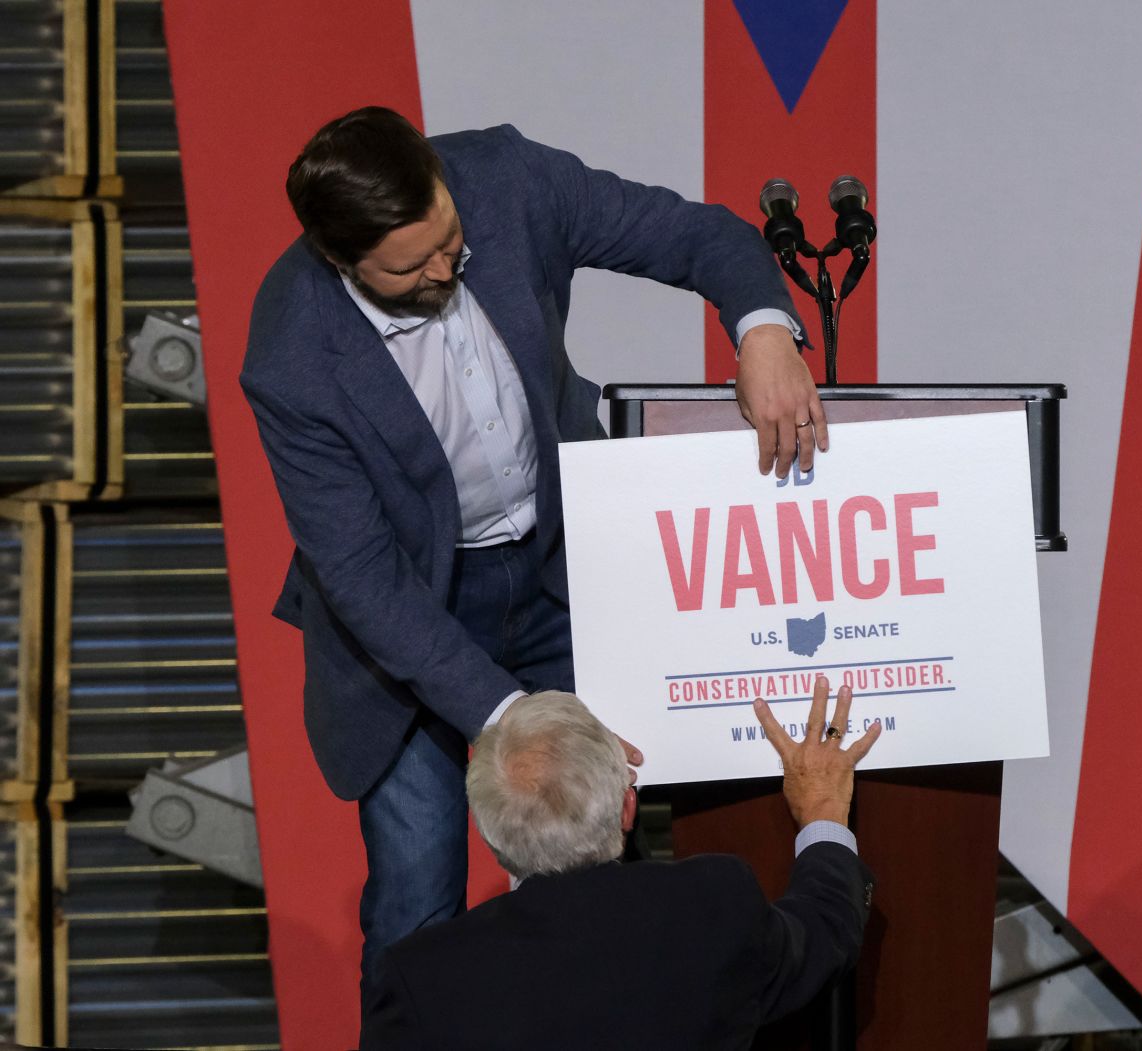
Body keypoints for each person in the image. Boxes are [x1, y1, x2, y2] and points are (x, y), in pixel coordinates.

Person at [240, 106, 827, 989]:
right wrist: (502, 712)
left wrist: (764, 329)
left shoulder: (506, 182)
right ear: (340, 260)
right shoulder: (293, 352)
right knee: (417, 907)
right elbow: (363, 578)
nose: (446, 269)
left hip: (560, 572)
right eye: (411, 267)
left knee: (601, 869)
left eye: (449, 240)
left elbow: (695, 234)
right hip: (411, 623)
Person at [359, 676, 881, 1050]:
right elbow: (826, 930)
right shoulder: (713, 906)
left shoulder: (419, 979)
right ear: (628, 807)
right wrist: (822, 813)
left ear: (490, 834)